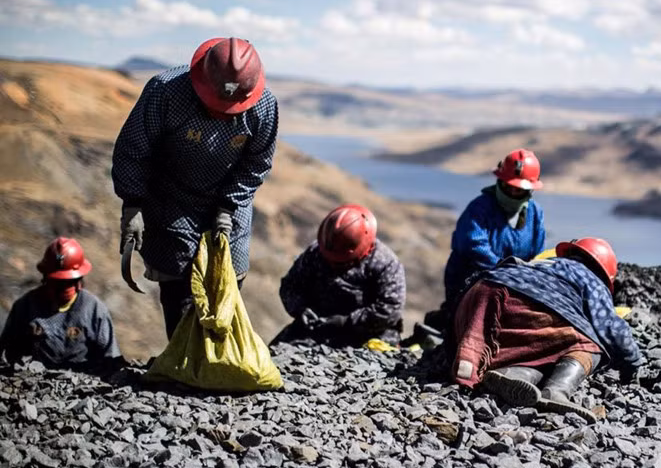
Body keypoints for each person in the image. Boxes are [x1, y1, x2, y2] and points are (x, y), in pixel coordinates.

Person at [111, 37, 278, 339]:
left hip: (229, 202)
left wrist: (228, 206)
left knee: (228, 277)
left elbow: (256, 163)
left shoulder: (264, 106)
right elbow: (133, 150)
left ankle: (218, 360)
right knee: (177, 282)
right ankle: (183, 362)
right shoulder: (165, 91)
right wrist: (132, 203)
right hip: (170, 199)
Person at [450, 237, 644, 424]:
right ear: (605, 273)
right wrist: (633, 365)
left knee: (546, 348)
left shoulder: (538, 264)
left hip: (478, 297)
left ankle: (511, 373)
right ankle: (556, 391)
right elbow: (611, 328)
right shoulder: (590, 277)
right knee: (588, 346)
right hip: (525, 304)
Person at [426, 149, 547, 335]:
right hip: (471, 283)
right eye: (508, 187)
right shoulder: (479, 209)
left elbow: (536, 254)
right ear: (500, 181)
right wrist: (505, 272)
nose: (513, 192)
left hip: (515, 286)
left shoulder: (535, 213)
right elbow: (474, 245)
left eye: (519, 190)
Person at [272, 204, 406, 348]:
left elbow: (390, 309)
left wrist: (346, 322)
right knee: (271, 354)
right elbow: (290, 286)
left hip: (369, 333)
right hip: (317, 328)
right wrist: (300, 310)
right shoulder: (315, 253)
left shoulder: (385, 263)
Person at [0, 238, 121, 368]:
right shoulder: (25, 306)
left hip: (82, 380)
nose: (62, 288)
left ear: (79, 281)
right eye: (56, 283)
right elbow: (6, 352)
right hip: (33, 380)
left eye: (68, 283)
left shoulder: (94, 309)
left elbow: (111, 357)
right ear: (45, 278)